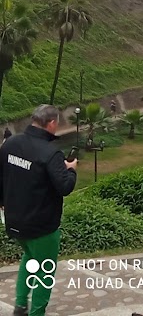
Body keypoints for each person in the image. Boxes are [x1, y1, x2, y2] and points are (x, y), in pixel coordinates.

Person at [0, 105, 78, 316]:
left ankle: (20, 305)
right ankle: (36, 313)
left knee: (29, 257)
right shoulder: (50, 153)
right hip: (42, 227)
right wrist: (71, 170)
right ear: (51, 123)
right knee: (45, 271)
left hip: (14, 220)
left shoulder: (10, 144)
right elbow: (64, 186)